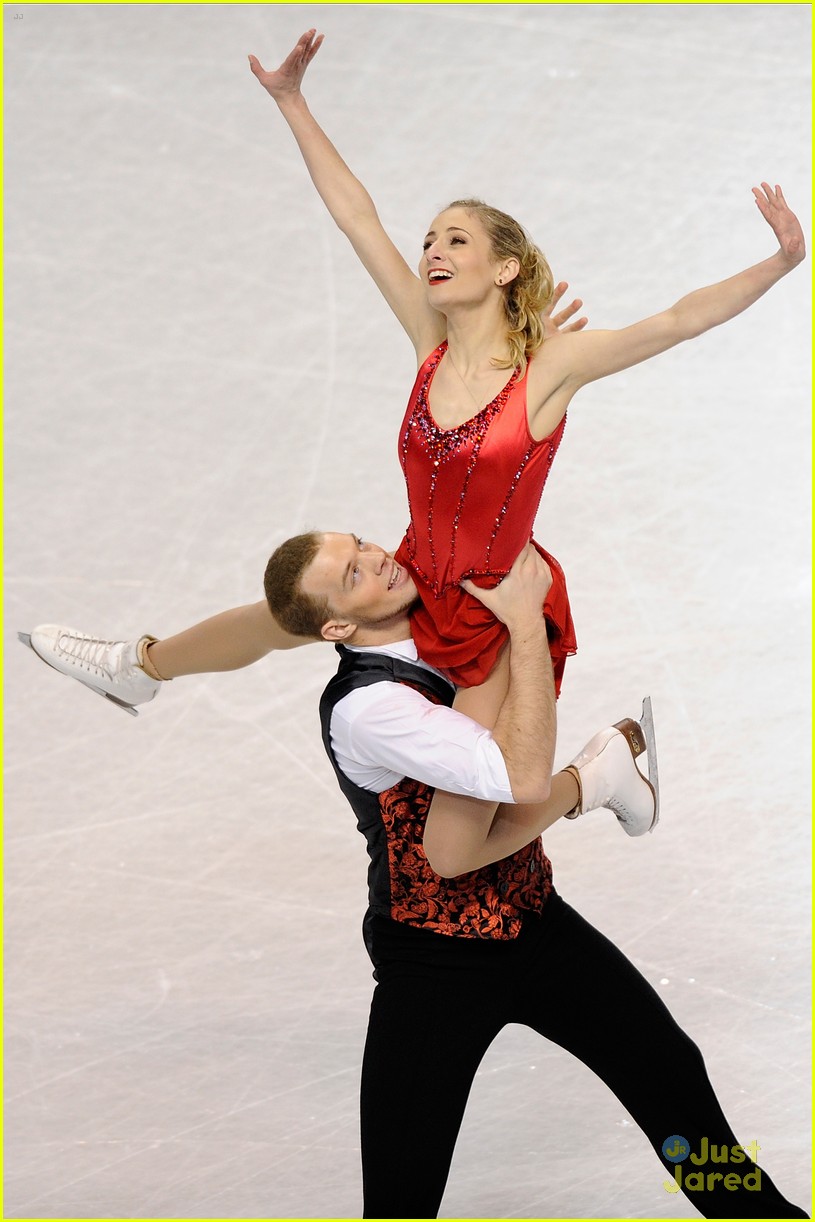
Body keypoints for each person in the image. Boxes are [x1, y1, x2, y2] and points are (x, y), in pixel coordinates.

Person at [276, 528, 804, 1217]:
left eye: (365, 545)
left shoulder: (434, 607)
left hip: (534, 919)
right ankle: (594, 776)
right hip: (435, 961)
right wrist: (521, 626)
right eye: (353, 573)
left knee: (670, 1078)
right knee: (402, 1197)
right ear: (339, 625)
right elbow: (503, 790)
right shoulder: (371, 708)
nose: (377, 558)